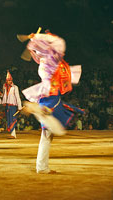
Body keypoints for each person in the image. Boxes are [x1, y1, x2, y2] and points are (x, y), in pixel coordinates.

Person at [22, 30, 84, 174]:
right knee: (50, 121)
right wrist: (38, 37)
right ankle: (40, 110)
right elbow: (58, 42)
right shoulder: (51, 56)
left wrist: (34, 40)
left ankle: (42, 167)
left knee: (48, 134)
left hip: (47, 89)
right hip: (50, 88)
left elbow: (37, 49)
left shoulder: (44, 57)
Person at [1, 70, 22, 139]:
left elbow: (17, 97)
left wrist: (19, 106)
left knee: (13, 118)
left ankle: (13, 134)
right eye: (7, 80)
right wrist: (0, 95)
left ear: (12, 80)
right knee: (9, 119)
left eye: (10, 80)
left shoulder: (15, 87)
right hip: (7, 105)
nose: (9, 82)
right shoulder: (5, 87)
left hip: (13, 106)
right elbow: (4, 96)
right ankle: (12, 133)